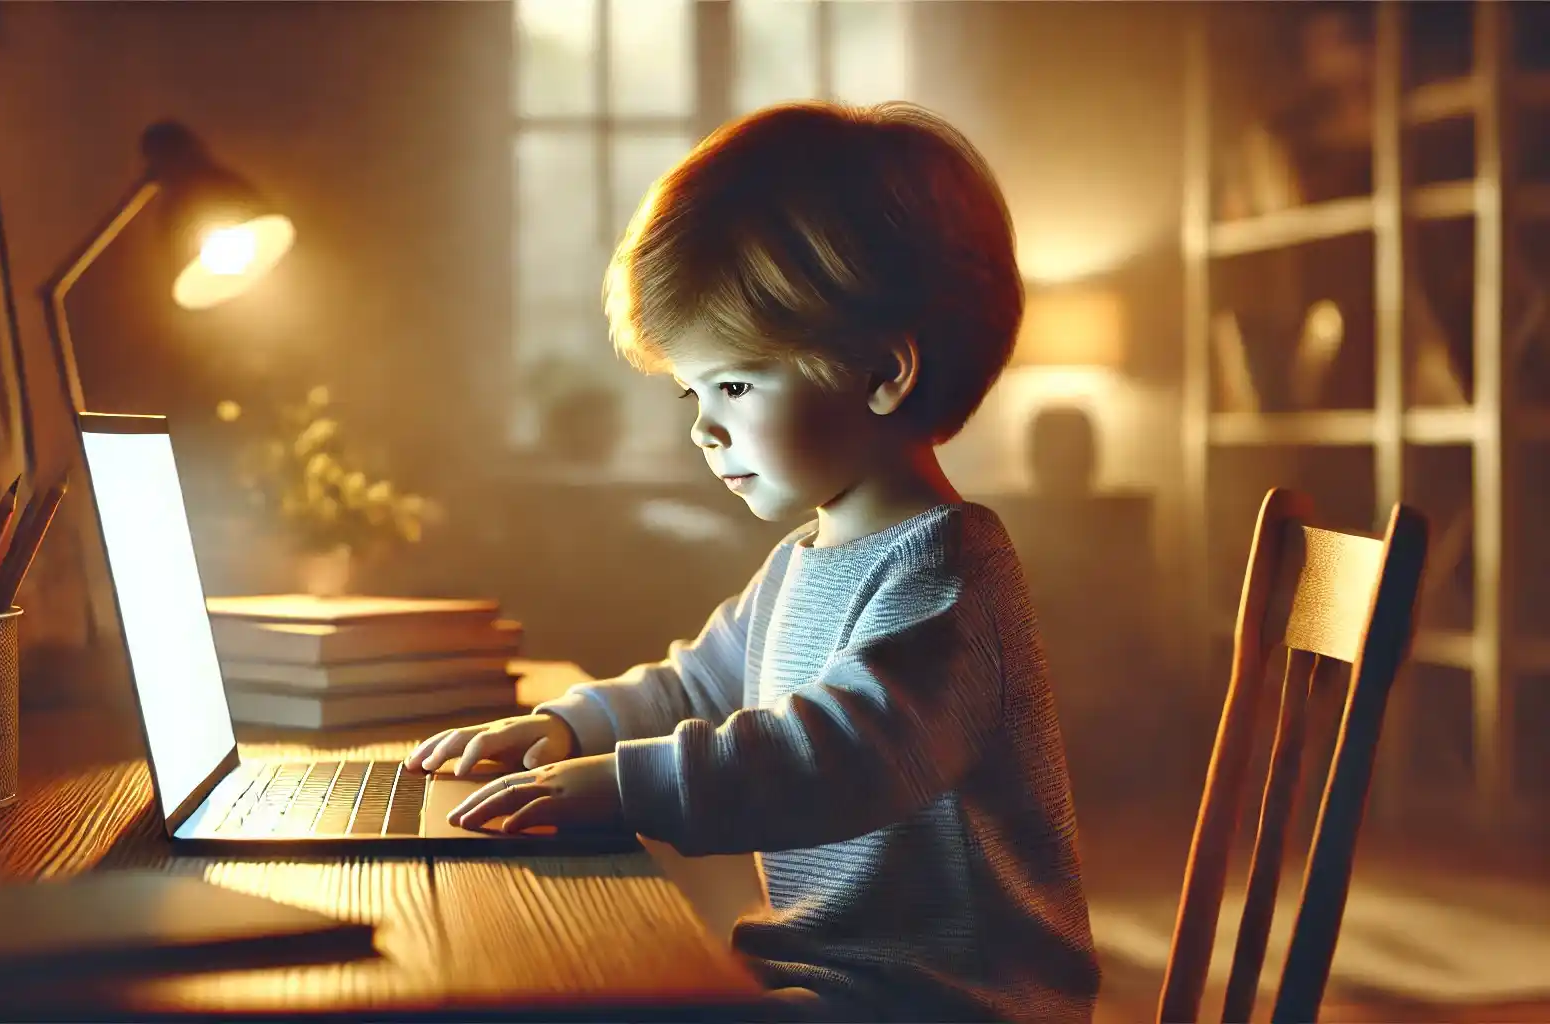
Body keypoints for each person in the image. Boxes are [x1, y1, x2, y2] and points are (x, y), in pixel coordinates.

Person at [406, 100, 1100, 1023]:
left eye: (734, 384)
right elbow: (694, 688)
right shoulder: (803, 561)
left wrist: (624, 786)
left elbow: (847, 756)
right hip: (831, 983)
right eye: (694, 389)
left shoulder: (951, 570)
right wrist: (568, 729)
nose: (702, 425)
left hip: (950, 1002)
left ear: (883, 373)